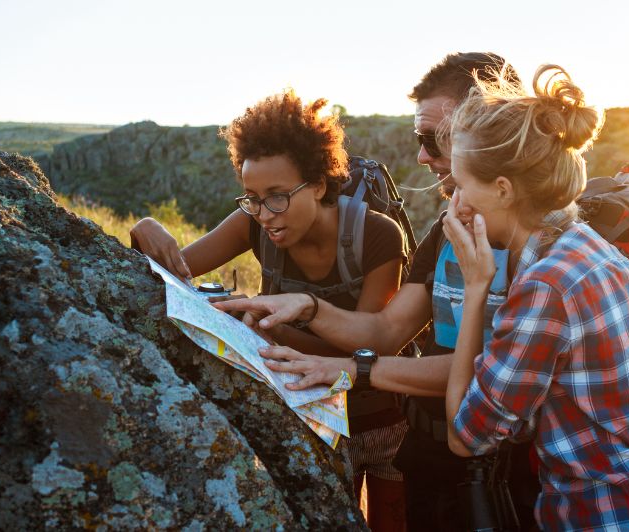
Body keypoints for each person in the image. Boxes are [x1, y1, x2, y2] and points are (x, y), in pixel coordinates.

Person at [216, 53, 537, 531]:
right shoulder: (444, 235)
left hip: (516, 472)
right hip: (430, 455)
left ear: (493, 136)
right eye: (419, 139)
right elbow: (386, 330)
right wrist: (307, 308)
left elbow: (491, 371)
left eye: (437, 140)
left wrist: (352, 369)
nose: (422, 156)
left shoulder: (547, 248)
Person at [439, 64, 629, 530]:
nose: (455, 202)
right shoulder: (593, 250)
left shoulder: (546, 286)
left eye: (460, 185)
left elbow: (466, 437)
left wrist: (477, 286)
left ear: (502, 190)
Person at [129, 91, 408, 531]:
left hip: (381, 422)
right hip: (308, 417)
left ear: (318, 183)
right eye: (251, 197)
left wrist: (266, 325)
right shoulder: (253, 224)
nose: (264, 213)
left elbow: (368, 345)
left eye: (278, 196)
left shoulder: (377, 237)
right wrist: (146, 229)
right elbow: (176, 269)